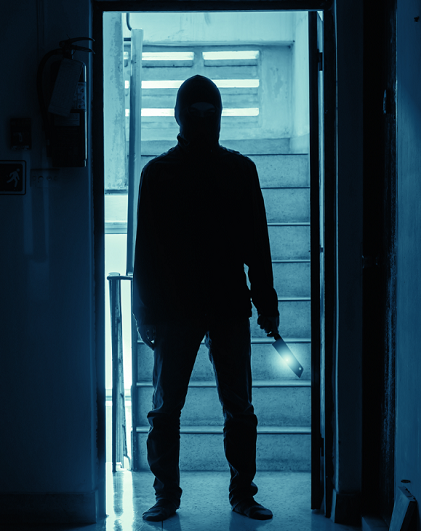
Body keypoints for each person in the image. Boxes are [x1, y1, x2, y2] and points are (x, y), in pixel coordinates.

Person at [132, 75, 280, 522]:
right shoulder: (166, 174)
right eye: (195, 112)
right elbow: (147, 252)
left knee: (232, 409)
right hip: (194, 307)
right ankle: (182, 495)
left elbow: (258, 243)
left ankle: (231, 493)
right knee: (170, 409)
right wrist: (145, 312)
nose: (201, 120)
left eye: (206, 112)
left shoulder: (227, 171)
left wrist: (266, 303)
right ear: (181, 115)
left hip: (214, 306)